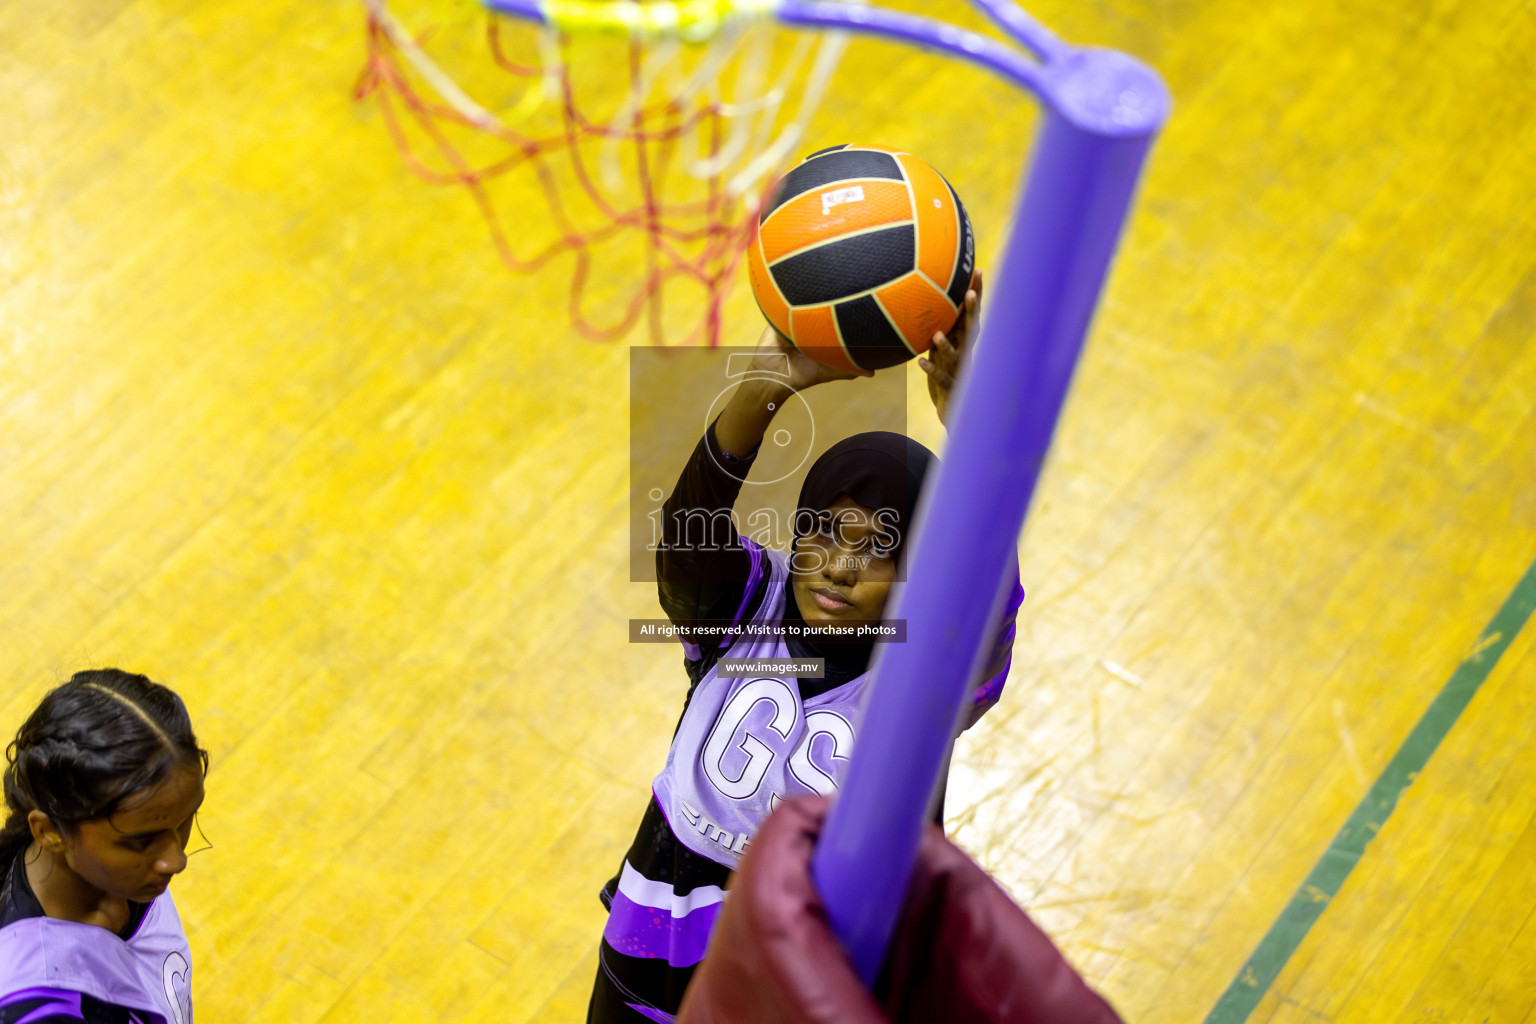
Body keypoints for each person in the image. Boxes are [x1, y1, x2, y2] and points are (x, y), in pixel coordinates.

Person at [589, 277, 1026, 1023]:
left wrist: (973, 426)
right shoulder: (743, 604)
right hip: (661, 933)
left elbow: (983, 603)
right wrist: (766, 388)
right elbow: (690, 527)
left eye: (878, 548)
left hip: (815, 966)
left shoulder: (924, 678)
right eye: (825, 531)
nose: (839, 565)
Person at [0, 670, 208, 1024]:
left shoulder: (124, 872)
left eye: (186, 819)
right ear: (50, 832)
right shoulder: (34, 1005)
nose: (177, 860)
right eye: (142, 841)